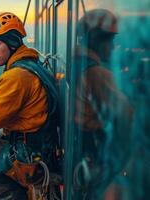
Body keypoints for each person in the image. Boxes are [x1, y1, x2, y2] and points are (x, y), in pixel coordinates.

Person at [0, 12, 61, 199]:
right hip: (42, 146)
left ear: (13, 42)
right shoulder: (34, 65)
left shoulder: (17, 76)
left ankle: (10, 195)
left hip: (31, 155)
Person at [73, 9, 133, 199]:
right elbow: (125, 114)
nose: (113, 47)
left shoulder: (76, 65)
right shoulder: (96, 73)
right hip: (95, 157)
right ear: (97, 41)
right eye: (110, 40)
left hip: (81, 152)